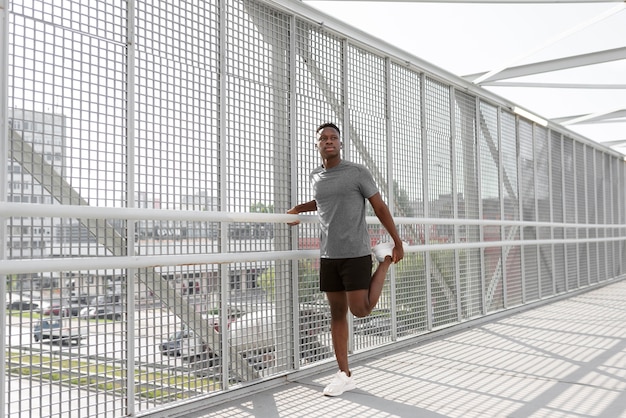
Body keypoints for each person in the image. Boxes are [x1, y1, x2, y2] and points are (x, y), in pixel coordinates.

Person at [287, 122, 406, 397]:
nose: (329, 141)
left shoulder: (357, 172)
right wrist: (297, 209)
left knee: (361, 310)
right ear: (317, 145)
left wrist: (397, 242)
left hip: (355, 252)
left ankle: (383, 261)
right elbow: (322, 201)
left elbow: (379, 206)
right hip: (328, 254)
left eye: (333, 138)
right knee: (337, 314)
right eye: (323, 138)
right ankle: (343, 375)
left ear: (340, 144)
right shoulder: (315, 176)